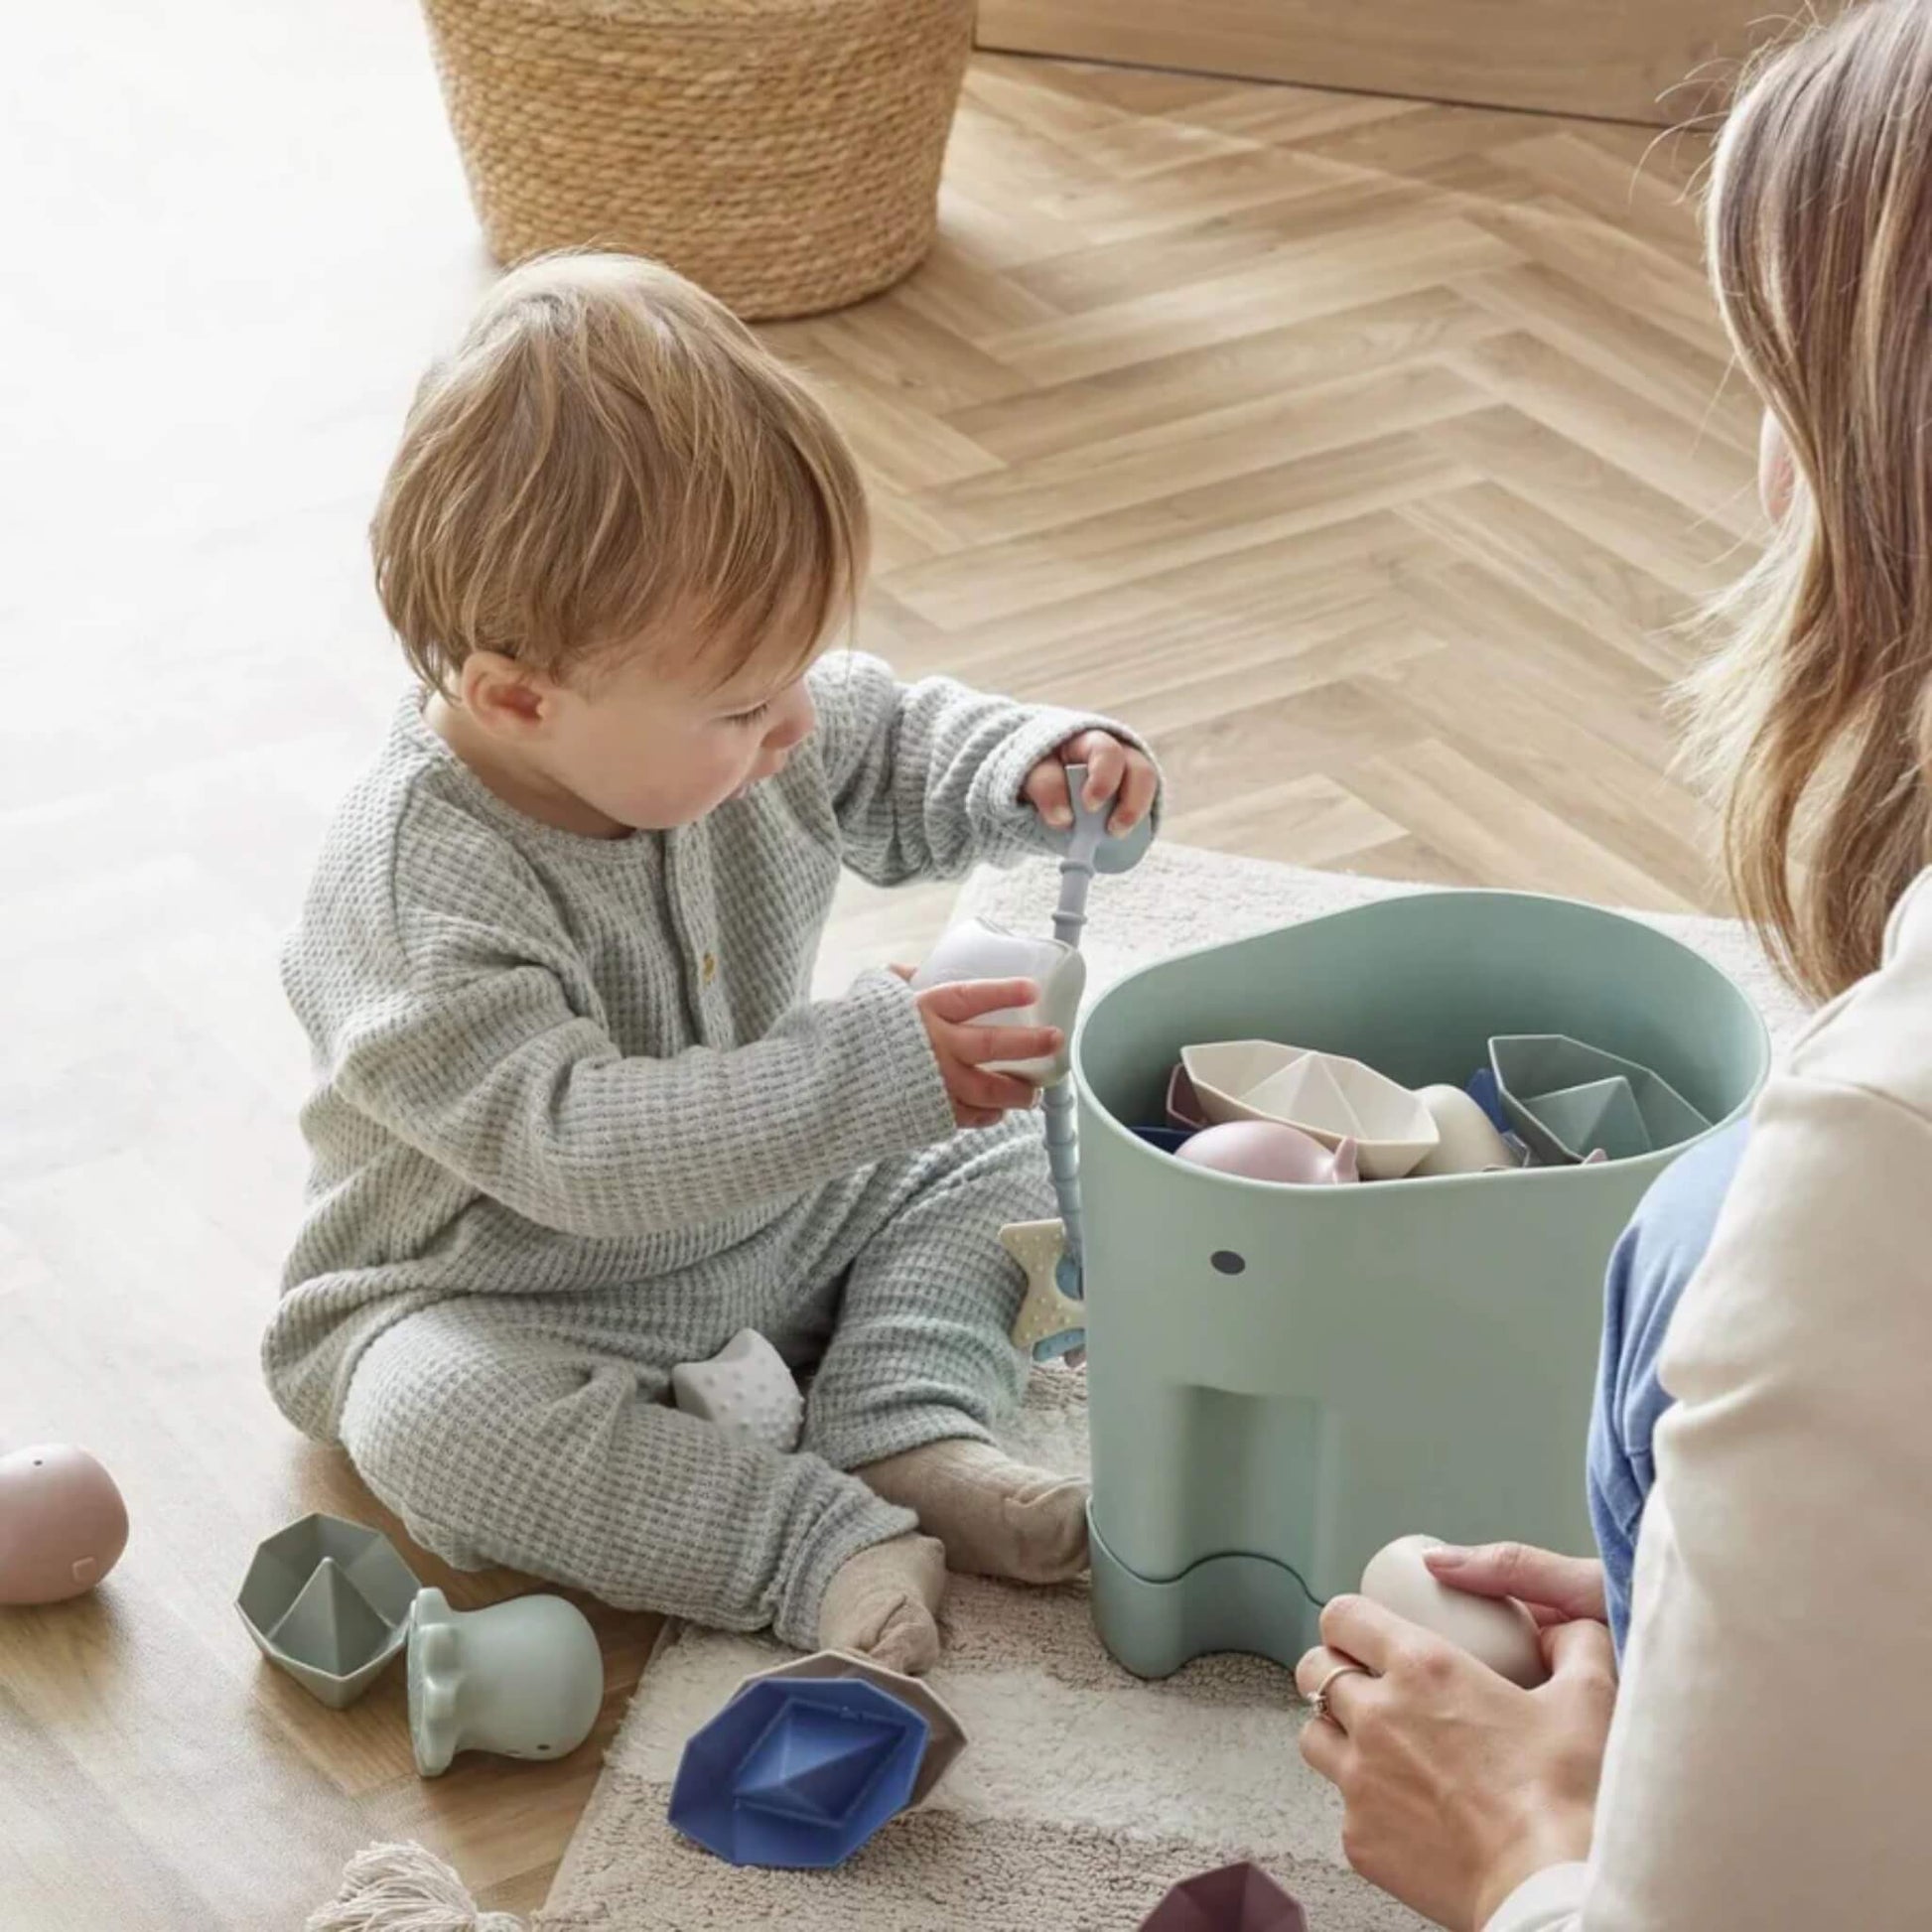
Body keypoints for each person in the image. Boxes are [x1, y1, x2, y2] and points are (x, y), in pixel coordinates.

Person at [264, 252, 1159, 1676]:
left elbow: (895, 739)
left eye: (801, 669)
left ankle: (905, 1416)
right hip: (505, 1289)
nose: (795, 726)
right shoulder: (409, 892)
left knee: (1017, 1138)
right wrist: (873, 1066)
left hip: (767, 1211)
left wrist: (1035, 762)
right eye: (746, 703)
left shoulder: (726, 723)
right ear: (516, 695)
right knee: (430, 1421)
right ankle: (812, 1539)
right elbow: (579, 1152)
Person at [1294, 3, 1932, 1924]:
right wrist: (1775, 1641)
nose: (1763, 463)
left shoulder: (1879, 1169)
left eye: (1786, 391)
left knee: (1714, 1217)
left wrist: (1516, 1850)